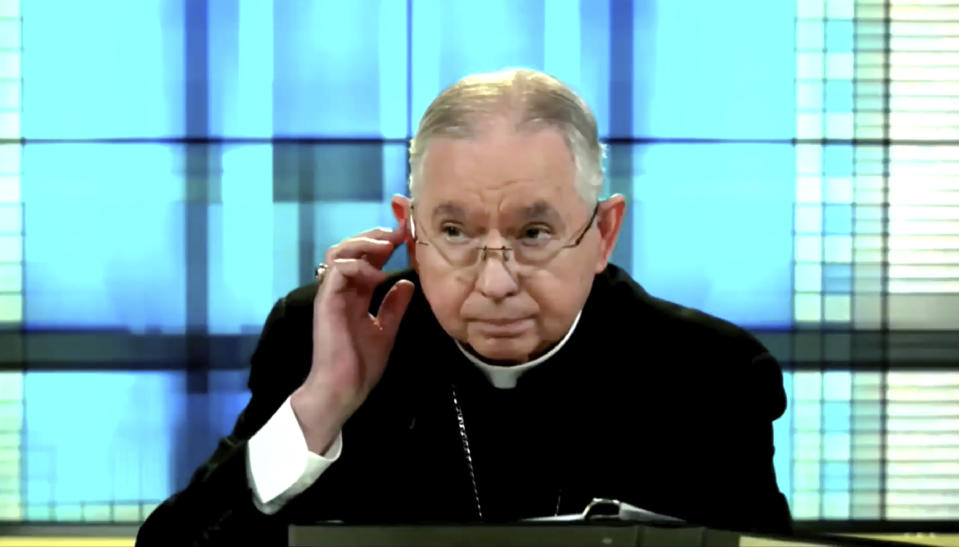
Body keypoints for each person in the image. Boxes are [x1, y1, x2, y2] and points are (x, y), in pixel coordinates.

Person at [136, 68, 791, 546]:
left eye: (533, 233)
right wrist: (318, 407)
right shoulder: (327, 337)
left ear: (603, 232)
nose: (495, 282)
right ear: (409, 229)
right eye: (455, 233)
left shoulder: (712, 374)